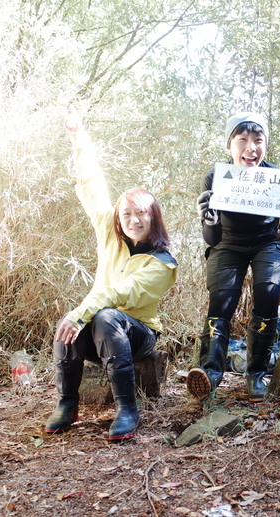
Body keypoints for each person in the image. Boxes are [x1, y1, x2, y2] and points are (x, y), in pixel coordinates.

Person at [44, 115, 178, 441]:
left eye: (141, 214)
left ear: (153, 217)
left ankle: (127, 408)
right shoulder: (110, 233)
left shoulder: (163, 264)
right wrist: (79, 139)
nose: (133, 220)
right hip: (102, 332)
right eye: (127, 214)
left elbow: (120, 293)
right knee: (72, 324)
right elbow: (91, 184)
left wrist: (82, 313)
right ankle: (67, 403)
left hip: (138, 335)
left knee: (104, 317)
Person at [186, 112, 280, 402]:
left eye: (258, 140)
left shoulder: (276, 179)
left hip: (267, 243)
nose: (251, 148)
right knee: (221, 301)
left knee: (268, 292)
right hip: (227, 244)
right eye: (243, 140)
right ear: (230, 146)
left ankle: (256, 373)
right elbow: (211, 238)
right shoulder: (215, 177)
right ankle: (210, 373)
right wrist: (209, 220)